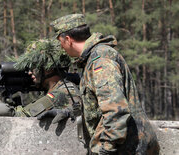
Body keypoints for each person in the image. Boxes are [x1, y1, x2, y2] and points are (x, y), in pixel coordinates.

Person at [49, 14, 160, 155]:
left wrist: (106, 150)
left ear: (68, 40)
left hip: (128, 149)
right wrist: (67, 112)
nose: (61, 47)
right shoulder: (92, 59)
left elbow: (116, 110)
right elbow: (97, 106)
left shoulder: (100, 61)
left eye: (60, 41)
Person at [0, 39, 81, 125]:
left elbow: (20, 116)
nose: (30, 72)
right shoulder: (59, 89)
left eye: (34, 66)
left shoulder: (63, 93)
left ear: (48, 68)